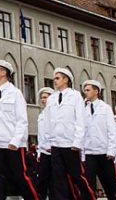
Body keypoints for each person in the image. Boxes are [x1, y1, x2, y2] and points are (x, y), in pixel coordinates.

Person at [0, 60, 38, 200]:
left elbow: (22, 120)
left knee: (20, 177)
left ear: (4, 72)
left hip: (13, 144)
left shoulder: (15, 93)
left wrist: (15, 140)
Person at [43, 67, 93, 200]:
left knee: (77, 176)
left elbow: (80, 120)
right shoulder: (52, 98)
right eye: (54, 78)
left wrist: (77, 142)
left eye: (57, 78)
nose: (55, 81)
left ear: (66, 80)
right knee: (58, 177)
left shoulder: (75, 96)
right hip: (56, 144)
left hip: (70, 144)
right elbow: (48, 122)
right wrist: (48, 142)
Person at [81, 80, 116, 200]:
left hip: (104, 152)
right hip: (89, 152)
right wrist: (83, 154)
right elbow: (82, 132)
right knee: (89, 183)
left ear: (96, 91)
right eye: (84, 90)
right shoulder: (83, 109)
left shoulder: (105, 108)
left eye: (88, 90)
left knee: (110, 182)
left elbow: (112, 130)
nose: (85, 92)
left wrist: (112, 150)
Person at [36, 87, 54, 199]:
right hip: (44, 151)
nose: (43, 100)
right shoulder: (41, 115)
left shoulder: (55, 113)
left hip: (54, 150)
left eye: (45, 97)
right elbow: (40, 135)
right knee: (42, 179)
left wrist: (51, 145)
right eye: (42, 98)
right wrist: (39, 152)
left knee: (54, 180)